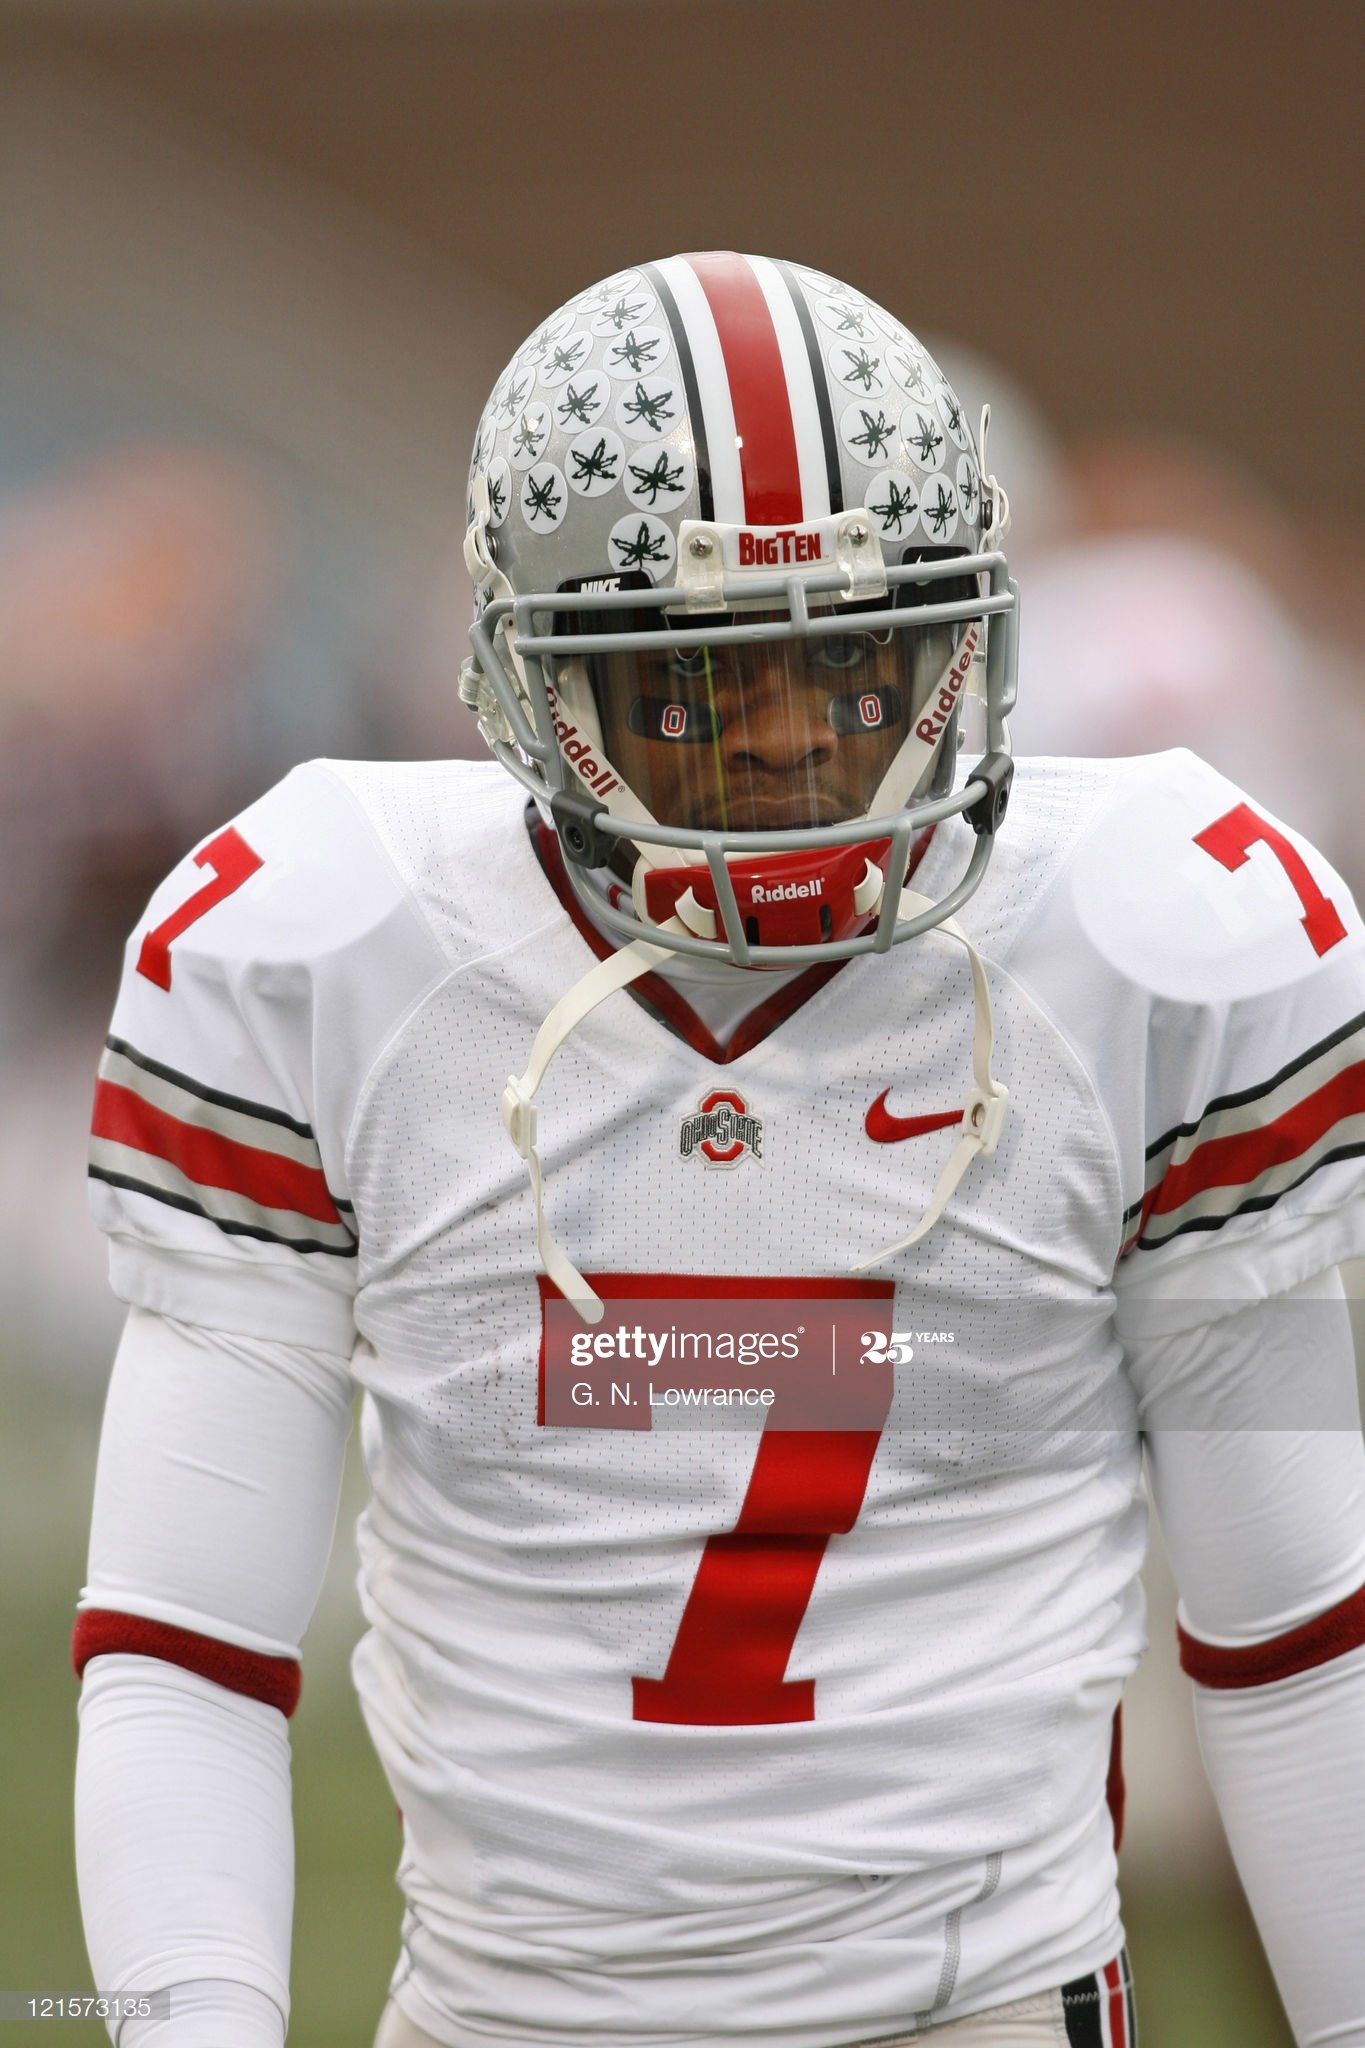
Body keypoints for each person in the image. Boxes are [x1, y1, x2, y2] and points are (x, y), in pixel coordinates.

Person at [75, 253, 1365, 2048]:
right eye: (694, 685)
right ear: (523, 683)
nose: (783, 745)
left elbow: (1298, 1627)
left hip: (984, 2005)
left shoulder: (1159, 938)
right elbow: (181, 1643)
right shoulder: (322, 950)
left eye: (848, 661)